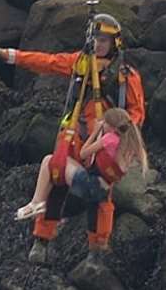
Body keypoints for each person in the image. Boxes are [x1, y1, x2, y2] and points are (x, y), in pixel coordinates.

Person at [0, 13, 146, 263]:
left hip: (105, 142)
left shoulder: (127, 76)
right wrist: (12, 56)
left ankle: (98, 248)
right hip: (74, 134)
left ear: (115, 43)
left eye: (104, 40)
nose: (99, 44)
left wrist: (120, 134)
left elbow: (137, 113)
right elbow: (48, 62)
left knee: (102, 197)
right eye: (95, 39)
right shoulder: (80, 62)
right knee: (56, 180)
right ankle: (41, 240)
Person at [18, 108, 148, 262]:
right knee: (93, 204)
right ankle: (94, 249)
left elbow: (84, 153)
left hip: (90, 176)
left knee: (52, 164)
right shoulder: (129, 145)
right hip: (100, 181)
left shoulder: (109, 138)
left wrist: (98, 130)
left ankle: (36, 203)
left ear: (110, 125)